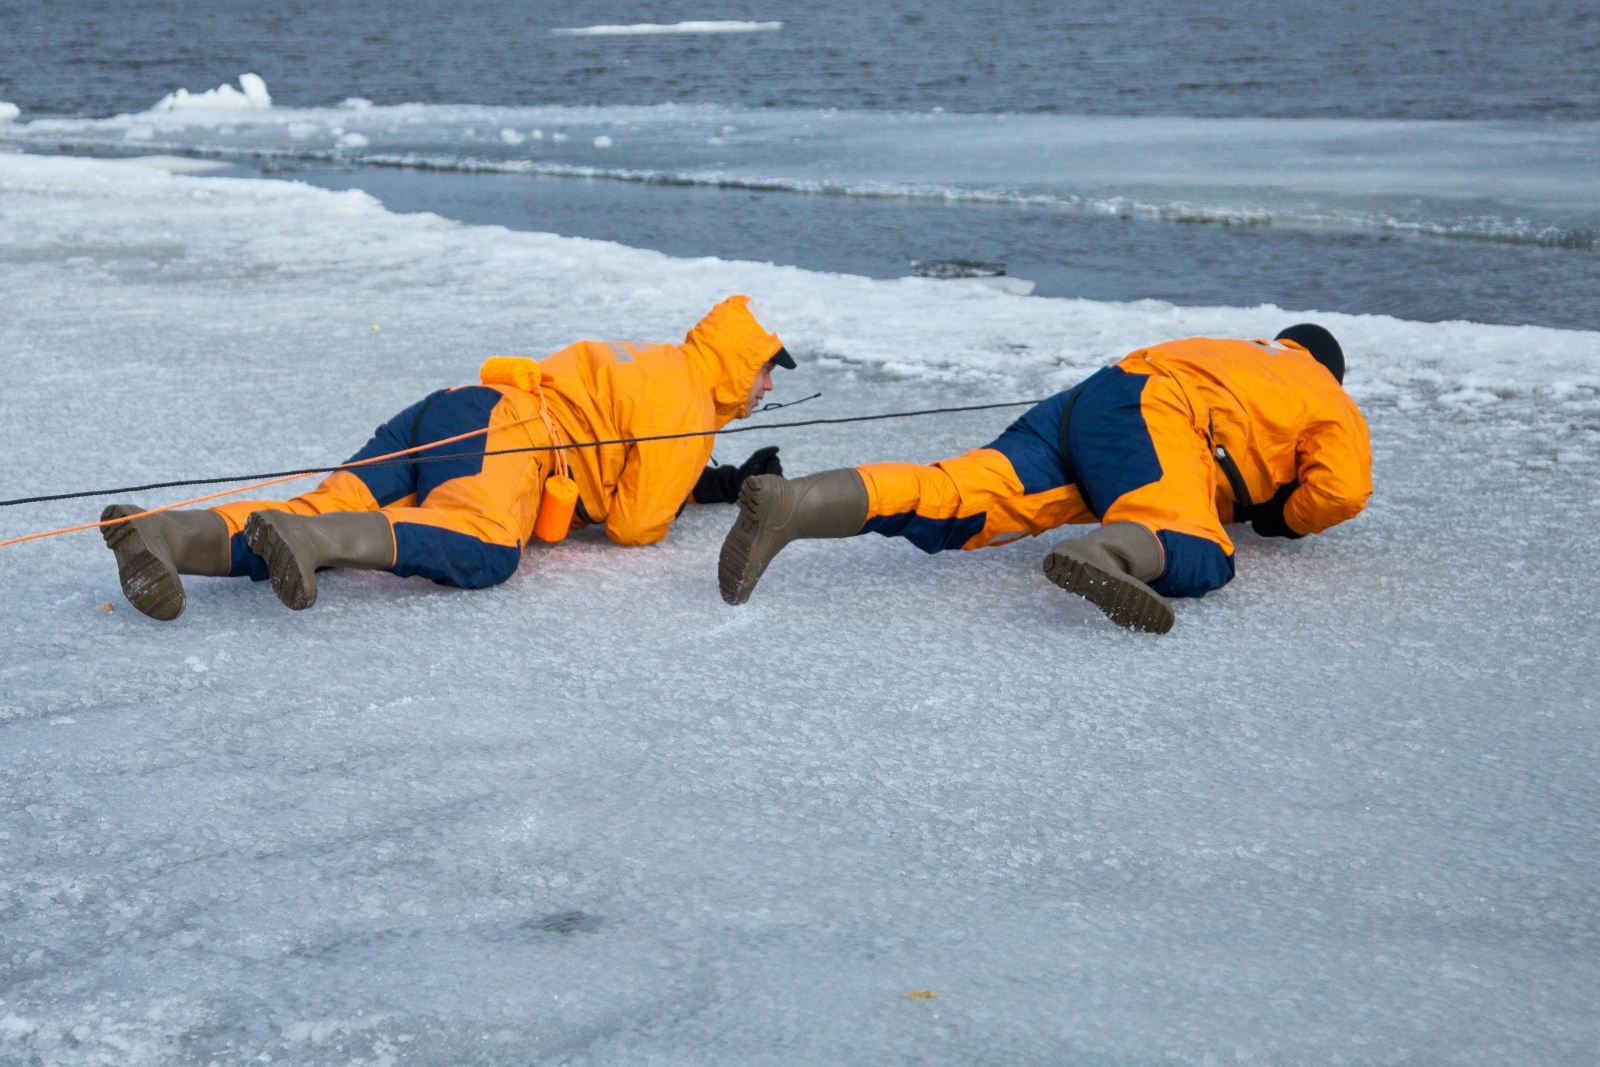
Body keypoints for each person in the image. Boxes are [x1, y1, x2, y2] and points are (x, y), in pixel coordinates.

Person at [102, 295, 792, 620]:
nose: (767, 387)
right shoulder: (691, 410)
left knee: (327, 504)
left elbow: (621, 444)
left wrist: (716, 484)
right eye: (767, 372)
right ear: (739, 364)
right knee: (485, 545)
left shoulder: (658, 363)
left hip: (461, 406)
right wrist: (681, 492)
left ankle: (168, 535)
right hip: (509, 441)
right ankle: (310, 541)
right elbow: (636, 523)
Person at [718, 325, 1371, 633]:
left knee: (961, 494)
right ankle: (1104, 552)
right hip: (1155, 418)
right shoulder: (1328, 396)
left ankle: (795, 504)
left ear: (1284, 339)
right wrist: (1279, 518)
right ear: (1330, 369)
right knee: (1197, 547)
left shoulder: (1232, 346)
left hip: (1091, 403)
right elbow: (1340, 491)